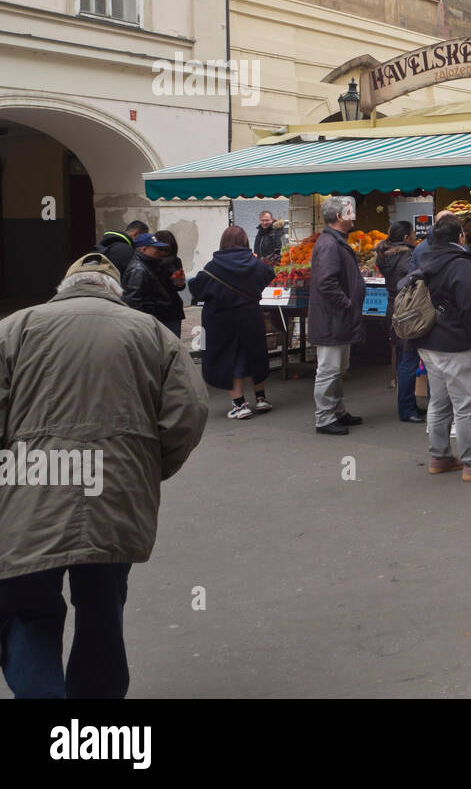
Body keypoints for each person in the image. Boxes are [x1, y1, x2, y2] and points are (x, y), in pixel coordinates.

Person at [0, 253, 206, 699]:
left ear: (64, 288)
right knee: (101, 613)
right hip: (115, 492)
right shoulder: (151, 332)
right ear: (116, 292)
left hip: (29, 489)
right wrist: (148, 468)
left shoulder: (15, 327)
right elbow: (189, 412)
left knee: (29, 614)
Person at [411, 215, 471, 481]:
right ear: (461, 237)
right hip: (457, 344)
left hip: (429, 342)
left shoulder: (426, 259)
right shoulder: (462, 266)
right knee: (466, 404)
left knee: (440, 401)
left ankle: (439, 456)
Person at [189, 225, 276, 419]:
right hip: (250, 315)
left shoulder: (213, 267)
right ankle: (261, 399)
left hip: (221, 319)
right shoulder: (256, 265)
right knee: (254, 354)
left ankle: (240, 404)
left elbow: (197, 289)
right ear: (245, 242)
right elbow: (268, 275)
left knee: (228, 358)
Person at [308, 196, 366, 436]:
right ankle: (324, 418)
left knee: (338, 368)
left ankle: (337, 410)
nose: (353, 216)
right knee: (329, 369)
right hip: (333, 318)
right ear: (340, 216)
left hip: (337, 318)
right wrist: (346, 303)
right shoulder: (330, 244)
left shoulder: (334, 242)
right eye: (350, 212)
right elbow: (326, 281)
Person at [375, 221, 422, 423]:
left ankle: (409, 404)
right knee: (409, 359)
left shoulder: (385, 256)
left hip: (393, 308)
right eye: (412, 235)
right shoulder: (407, 258)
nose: (414, 238)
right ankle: (407, 409)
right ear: (405, 238)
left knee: (404, 356)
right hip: (408, 310)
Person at [121, 232, 186, 337]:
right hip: (154, 318)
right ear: (144, 249)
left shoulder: (151, 263)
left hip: (169, 314)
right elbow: (132, 301)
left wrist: (178, 282)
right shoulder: (139, 268)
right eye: (157, 249)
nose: (160, 252)